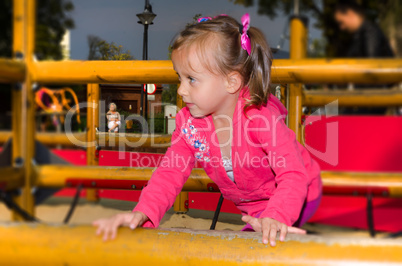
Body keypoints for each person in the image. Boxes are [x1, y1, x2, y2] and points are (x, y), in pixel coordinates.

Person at [93, 14, 322, 247]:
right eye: (179, 77)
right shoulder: (190, 125)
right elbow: (169, 173)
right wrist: (143, 213)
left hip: (298, 193)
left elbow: (293, 174)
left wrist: (275, 216)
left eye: (191, 79)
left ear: (231, 83)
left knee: (260, 244)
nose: (181, 90)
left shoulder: (259, 118)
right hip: (254, 207)